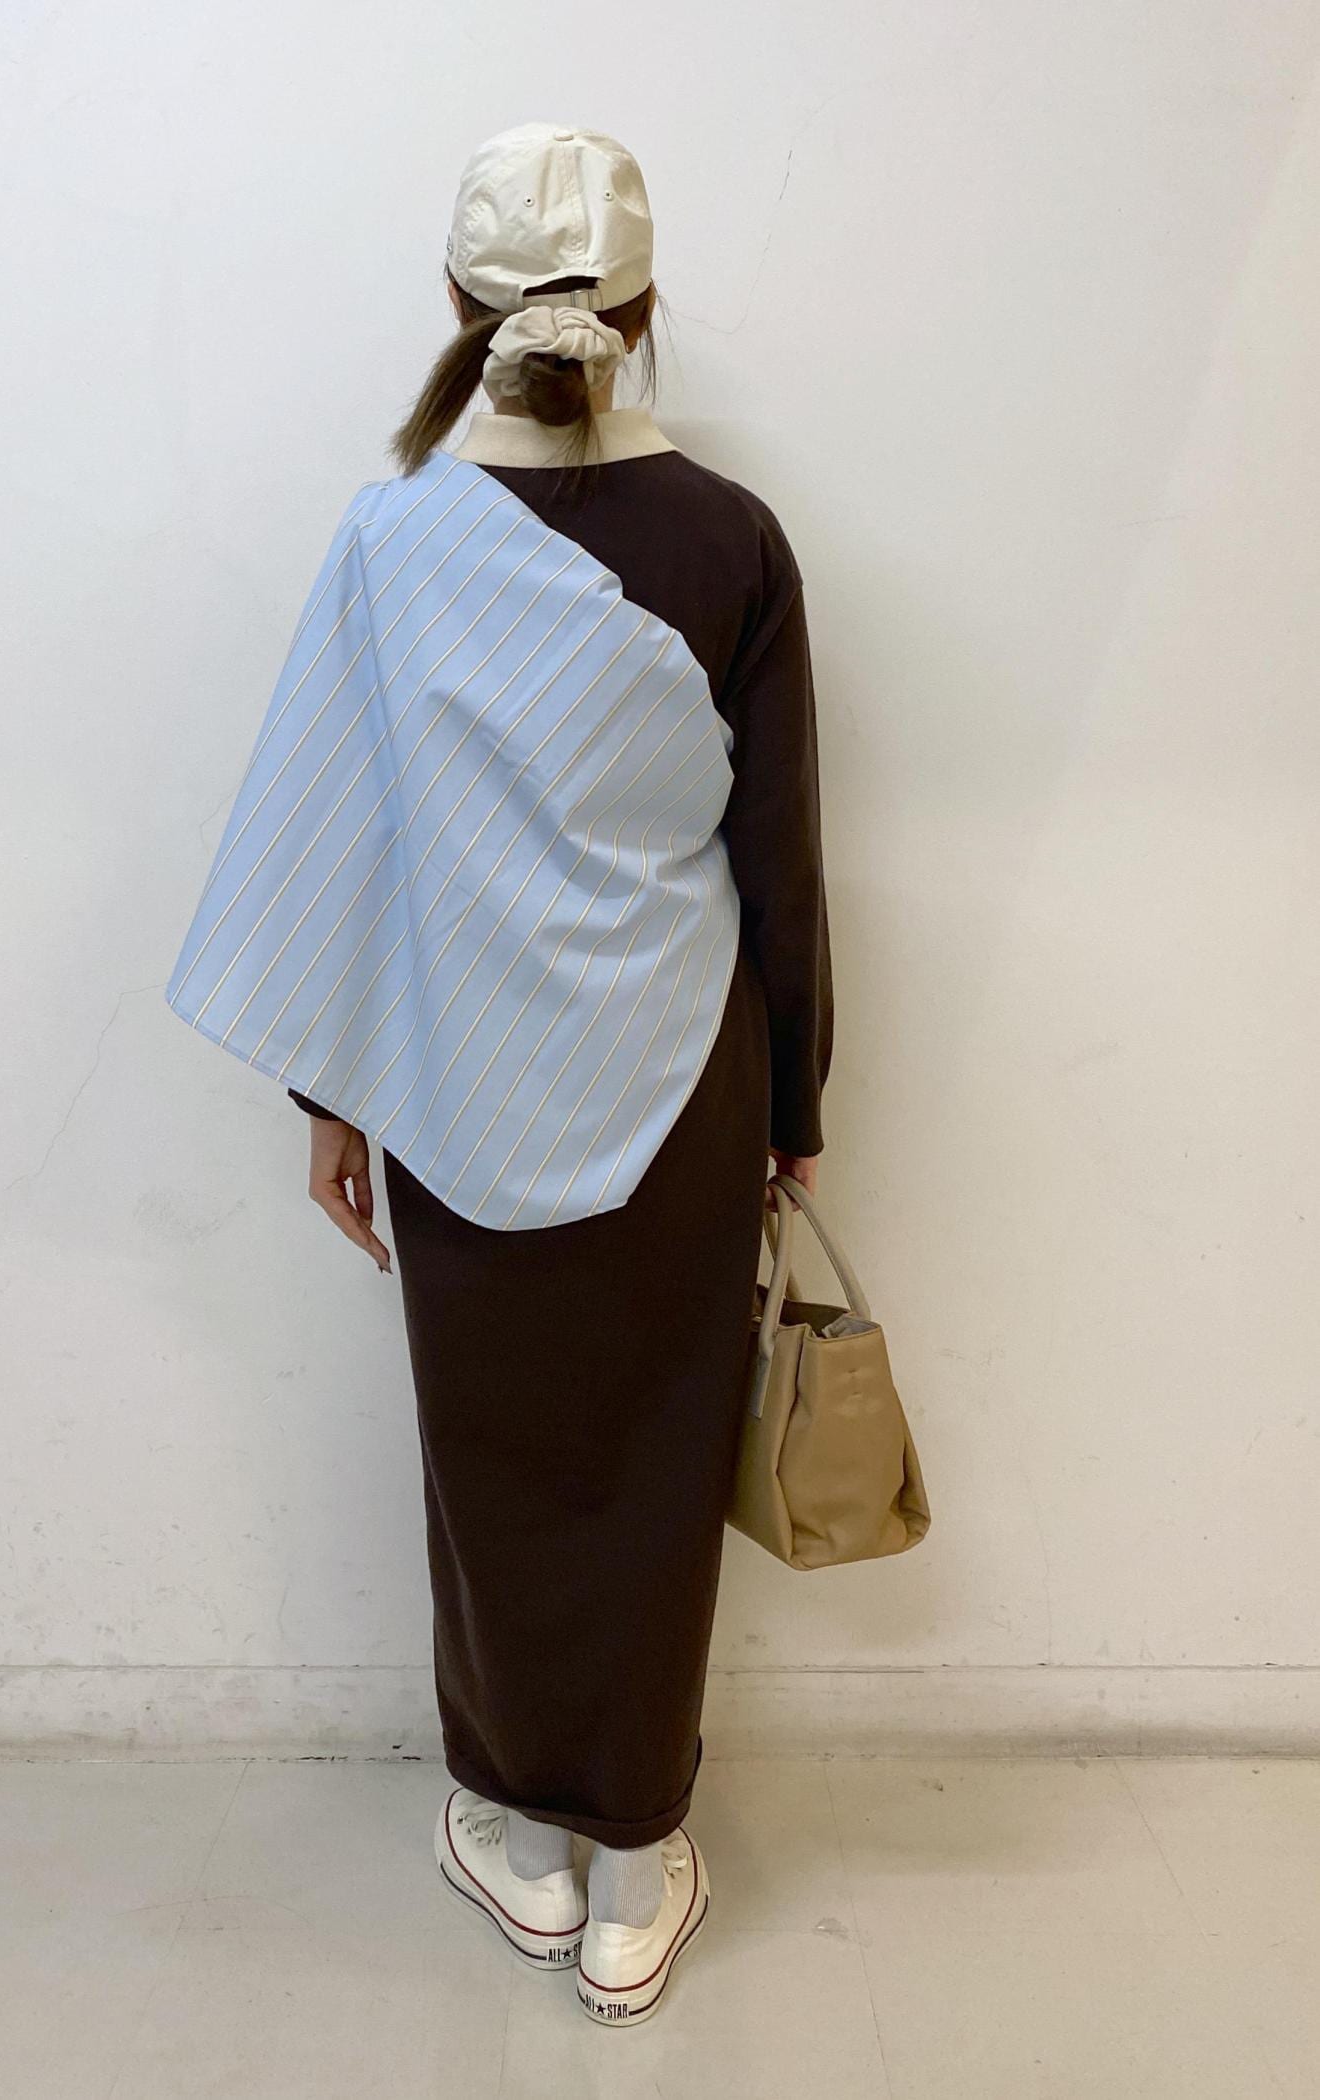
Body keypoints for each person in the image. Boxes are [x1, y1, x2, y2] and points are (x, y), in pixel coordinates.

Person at [167, 120, 832, 2027]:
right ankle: (637, 1859)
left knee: (498, 1459)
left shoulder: (393, 537)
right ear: (646, 299)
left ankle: (520, 1836)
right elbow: (779, 861)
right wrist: (794, 1112)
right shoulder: (733, 540)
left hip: (458, 1084)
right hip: (686, 1085)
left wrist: (333, 1096)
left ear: (455, 301)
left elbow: (340, 831)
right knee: (654, 1462)